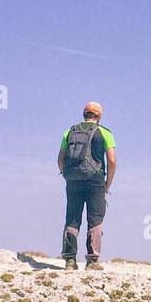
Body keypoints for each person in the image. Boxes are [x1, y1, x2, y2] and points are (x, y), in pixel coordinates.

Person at [57, 101, 116, 268]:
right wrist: (107, 183)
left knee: (72, 217)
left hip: (73, 180)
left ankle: (69, 260)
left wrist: (67, 175)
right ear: (99, 116)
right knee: (95, 219)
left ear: (84, 114)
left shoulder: (70, 132)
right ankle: (92, 261)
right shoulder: (105, 133)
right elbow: (112, 160)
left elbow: (60, 160)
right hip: (95, 180)